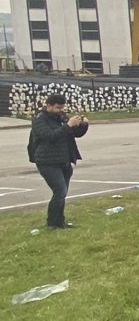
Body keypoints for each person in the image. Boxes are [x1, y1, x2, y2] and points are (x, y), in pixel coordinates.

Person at [28, 94, 89, 229]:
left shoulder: (61, 117)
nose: (61, 110)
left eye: (62, 107)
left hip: (64, 160)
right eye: (57, 108)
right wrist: (68, 125)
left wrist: (83, 125)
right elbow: (49, 136)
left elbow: (74, 133)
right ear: (48, 106)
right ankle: (52, 223)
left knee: (63, 193)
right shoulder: (40, 120)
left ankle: (60, 222)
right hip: (47, 161)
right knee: (60, 191)